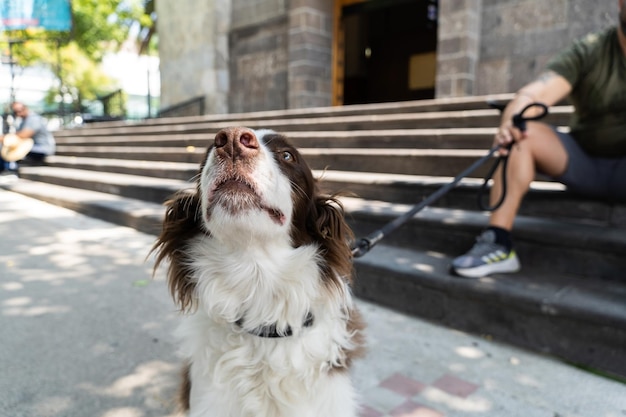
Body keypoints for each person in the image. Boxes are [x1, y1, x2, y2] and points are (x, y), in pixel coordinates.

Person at [451, 0, 626, 278]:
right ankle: (498, 241)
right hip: (585, 162)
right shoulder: (591, 49)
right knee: (523, 132)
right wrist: (512, 120)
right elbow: (534, 94)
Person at [0, 102, 56, 178]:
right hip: (31, 147)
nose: (18, 113)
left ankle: (9, 169)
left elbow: (25, 135)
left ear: (25, 108)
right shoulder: (23, 121)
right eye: (16, 112)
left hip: (42, 148)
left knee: (13, 150)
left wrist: (6, 137)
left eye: (20, 110)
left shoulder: (34, 118)